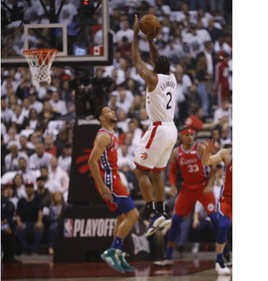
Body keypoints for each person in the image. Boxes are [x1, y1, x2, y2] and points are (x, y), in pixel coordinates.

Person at [132, 14, 178, 236]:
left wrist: (135, 35)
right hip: (172, 130)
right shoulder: (172, 78)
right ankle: (162, 212)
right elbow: (156, 58)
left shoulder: (153, 79)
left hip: (159, 128)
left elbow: (137, 61)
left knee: (140, 172)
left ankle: (151, 211)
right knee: (157, 172)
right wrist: (150, 40)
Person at [154, 127, 218, 266]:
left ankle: (224, 255)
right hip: (187, 188)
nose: (190, 137)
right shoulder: (177, 152)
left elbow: (213, 167)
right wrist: (172, 185)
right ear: (181, 137)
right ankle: (168, 256)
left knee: (215, 219)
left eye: (191, 135)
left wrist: (210, 184)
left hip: (202, 187)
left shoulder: (200, 148)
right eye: (187, 135)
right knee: (176, 220)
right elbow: (172, 172)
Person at [88, 105, 139, 273]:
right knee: (134, 215)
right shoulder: (103, 136)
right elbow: (91, 161)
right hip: (109, 180)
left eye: (112, 110)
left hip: (113, 177)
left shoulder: (111, 134)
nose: (113, 112)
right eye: (108, 111)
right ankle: (112, 251)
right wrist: (102, 186)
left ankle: (116, 254)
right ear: (102, 118)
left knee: (121, 217)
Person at [202, 138, 232, 275]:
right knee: (224, 225)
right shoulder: (227, 153)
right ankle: (219, 260)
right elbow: (206, 162)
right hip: (227, 200)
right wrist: (207, 153)